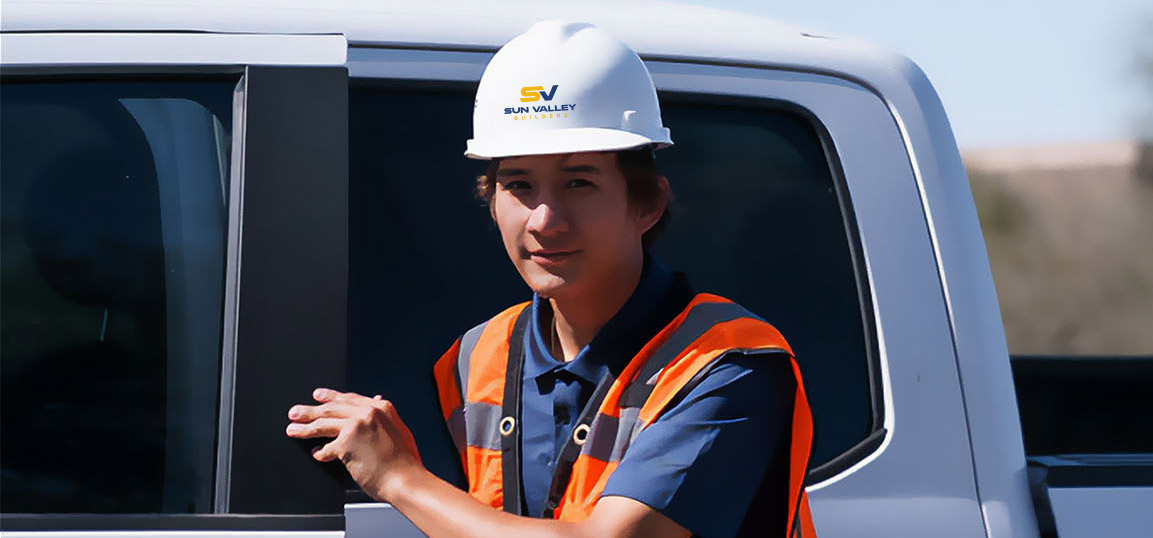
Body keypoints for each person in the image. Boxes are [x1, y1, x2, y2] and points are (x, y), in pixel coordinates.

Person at [285, 20, 817, 538]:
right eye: (518, 184)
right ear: (490, 203)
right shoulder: (477, 357)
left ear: (649, 204)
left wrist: (398, 477)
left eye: (578, 182)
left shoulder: (728, 365)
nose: (543, 220)